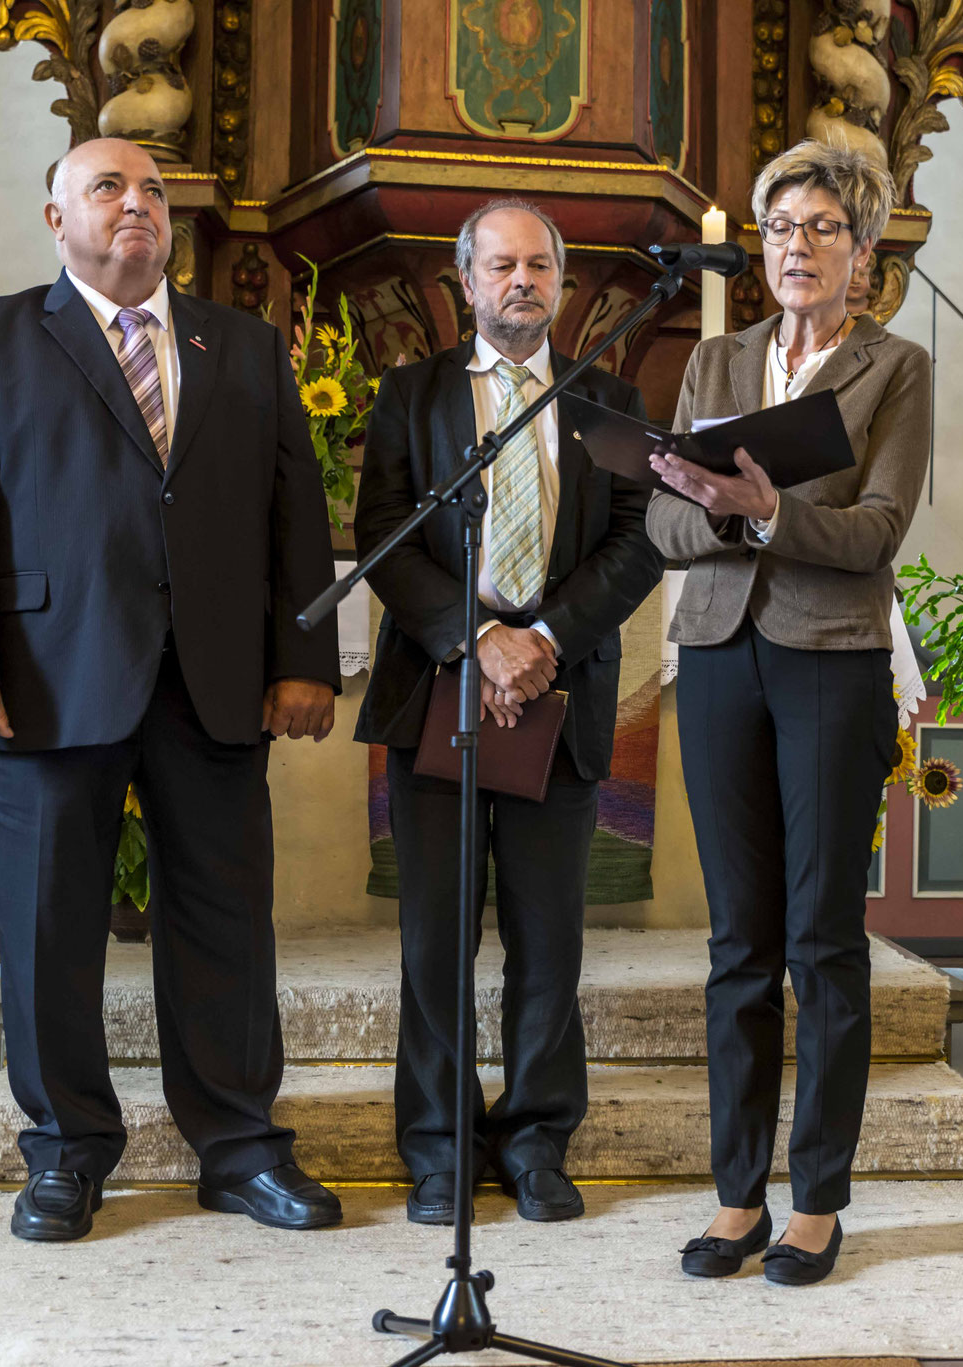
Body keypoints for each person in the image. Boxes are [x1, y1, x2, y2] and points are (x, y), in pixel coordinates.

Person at [0, 138, 343, 1242]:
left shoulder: (240, 345)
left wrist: (302, 657)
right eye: (108, 187)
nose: (136, 204)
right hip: (45, 682)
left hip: (217, 678)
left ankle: (239, 1147)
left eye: (152, 191)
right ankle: (67, 1150)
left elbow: (295, 511)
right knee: (52, 926)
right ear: (57, 219)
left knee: (226, 921)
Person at [647, 140, 930, 1286]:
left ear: (862, 253)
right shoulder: (715, 361)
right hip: (717, 656)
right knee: (738, 946)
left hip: (828, 661)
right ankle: (735, 1195)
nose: (796, 248)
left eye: (821, 229)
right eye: (779, 230)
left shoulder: (892, 367)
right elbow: (662, 529)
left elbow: (875, 531)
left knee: (821, 939)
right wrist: (721, 511)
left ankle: (815, 1198)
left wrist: (770, 514)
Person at [355, 200, 664, 1225]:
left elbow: (636, 538)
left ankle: (535, 1139)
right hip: (438, 689)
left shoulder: (605, 396)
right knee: (436, 939)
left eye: (539, 265)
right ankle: (439, 1146)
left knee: (547, 940)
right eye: (501, 265)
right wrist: (472, 635)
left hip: (558, 699)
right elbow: (384, 537)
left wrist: (543, 640)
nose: (521, 281)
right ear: (466, 282)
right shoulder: (412, 394)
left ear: (562, 285)